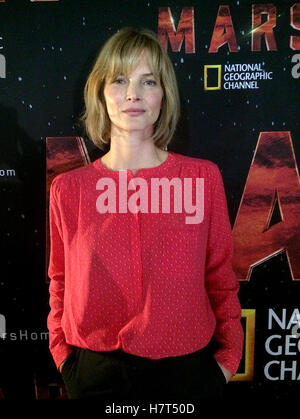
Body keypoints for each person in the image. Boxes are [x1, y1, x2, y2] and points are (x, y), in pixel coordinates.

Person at [47, 27, 244, 401]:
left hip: (187, 375)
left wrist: (228, 359)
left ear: (163, 94)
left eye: (148, 81)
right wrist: (63, 357)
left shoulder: (201, 178)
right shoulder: (68, 190)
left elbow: (220, 274)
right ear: (101, 93)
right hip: (95, 376)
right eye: (119, 80)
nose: (133, 94)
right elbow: (60, 280)